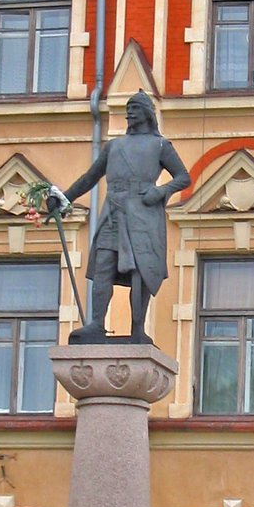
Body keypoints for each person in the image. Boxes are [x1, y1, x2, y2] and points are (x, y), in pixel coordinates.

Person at [49, 90, 190, 344]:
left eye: (134, 108)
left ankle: (138, 329)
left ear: (146, 113)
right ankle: (97, 324)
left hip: (143, 215)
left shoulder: (160, 145)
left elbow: (183, 177)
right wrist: (64, 198)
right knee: (103, 264)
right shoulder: (114, 146)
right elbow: (90, 177)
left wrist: (160, 191)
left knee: (141, 271)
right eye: (128, 109)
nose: (129, 113)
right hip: (113, 211)